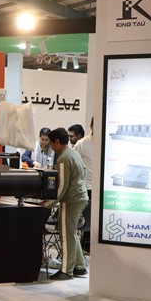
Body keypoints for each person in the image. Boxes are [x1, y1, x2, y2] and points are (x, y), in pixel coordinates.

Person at [44, 128, 89, 280]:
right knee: (71, 233)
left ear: (57, 142)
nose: (51, 147)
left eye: (51, 143)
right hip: (80, 197)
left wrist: (48, 203)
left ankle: (66, 270)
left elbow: (61, 186)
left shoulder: (63, 158)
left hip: (71, 200)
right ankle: (79, 266)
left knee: (66, 235)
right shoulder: (73, 153)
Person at [74, 117, 94, 253]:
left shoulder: (108, 141)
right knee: (88, 219)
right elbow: (74, 161)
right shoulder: (82, 144)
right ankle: (86, 245)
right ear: (91, 125)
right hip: (88, 186)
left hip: (103, 188)